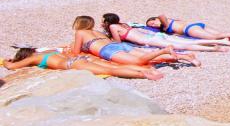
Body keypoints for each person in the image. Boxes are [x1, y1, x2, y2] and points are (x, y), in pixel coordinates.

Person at [67, 16, 192, 66]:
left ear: (78, 24)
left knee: (138, 62)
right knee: (146, 56)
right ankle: (184, 56)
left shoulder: (80, 32)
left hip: (108, 50)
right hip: (118, 45)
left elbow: (76, 52)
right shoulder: (98, 32)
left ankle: (164, 50)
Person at [2, 47, 164, 80]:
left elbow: (11, 67)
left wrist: (5, 61)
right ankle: (149, 70)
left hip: (73, 65)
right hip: (79, 60)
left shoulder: (33, 59)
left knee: (112, 71)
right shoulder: (48, 51)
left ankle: (144, 75)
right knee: (113, 66)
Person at [103, 13, 230, 52]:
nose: (102, 22)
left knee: (182, 46)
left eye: (103, 21)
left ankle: (214, 48)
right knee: (187, 42)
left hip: (150, 40)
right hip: (154, 36)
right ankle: (220, 41)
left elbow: (118, 42)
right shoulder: (123, 25)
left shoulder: (113, 27)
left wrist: (109, 39)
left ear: (108, 21)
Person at [145, 14, 230, 41]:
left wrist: (160, 21)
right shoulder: (169, 22)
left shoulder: (165, 25)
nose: (154, 25)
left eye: (153, 22)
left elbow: (161, 15)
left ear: (156, 19)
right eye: (151, 26)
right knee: (221, 35)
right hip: (197, 25)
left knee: (214, 37)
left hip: (190, 29)